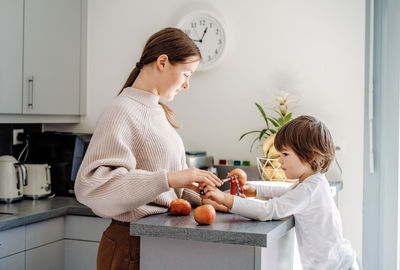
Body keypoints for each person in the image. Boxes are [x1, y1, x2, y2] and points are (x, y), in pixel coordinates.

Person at [74, 27, 224, 270]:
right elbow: (90, 187)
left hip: (153, 241)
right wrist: (171, 178)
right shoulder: (122, 109)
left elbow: (168, 188)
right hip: (129, 245)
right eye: (186, 74)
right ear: (163, 62)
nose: (187, 85)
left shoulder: (158, 112)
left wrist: (211, 197)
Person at [201, 115, 361, 270]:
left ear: (310, 156)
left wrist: (225, 199)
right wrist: (257, 189)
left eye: (285, 154)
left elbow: (268, 211)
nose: (279, 160)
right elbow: (288, 190)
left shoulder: (309, 188)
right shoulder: (313, 180)